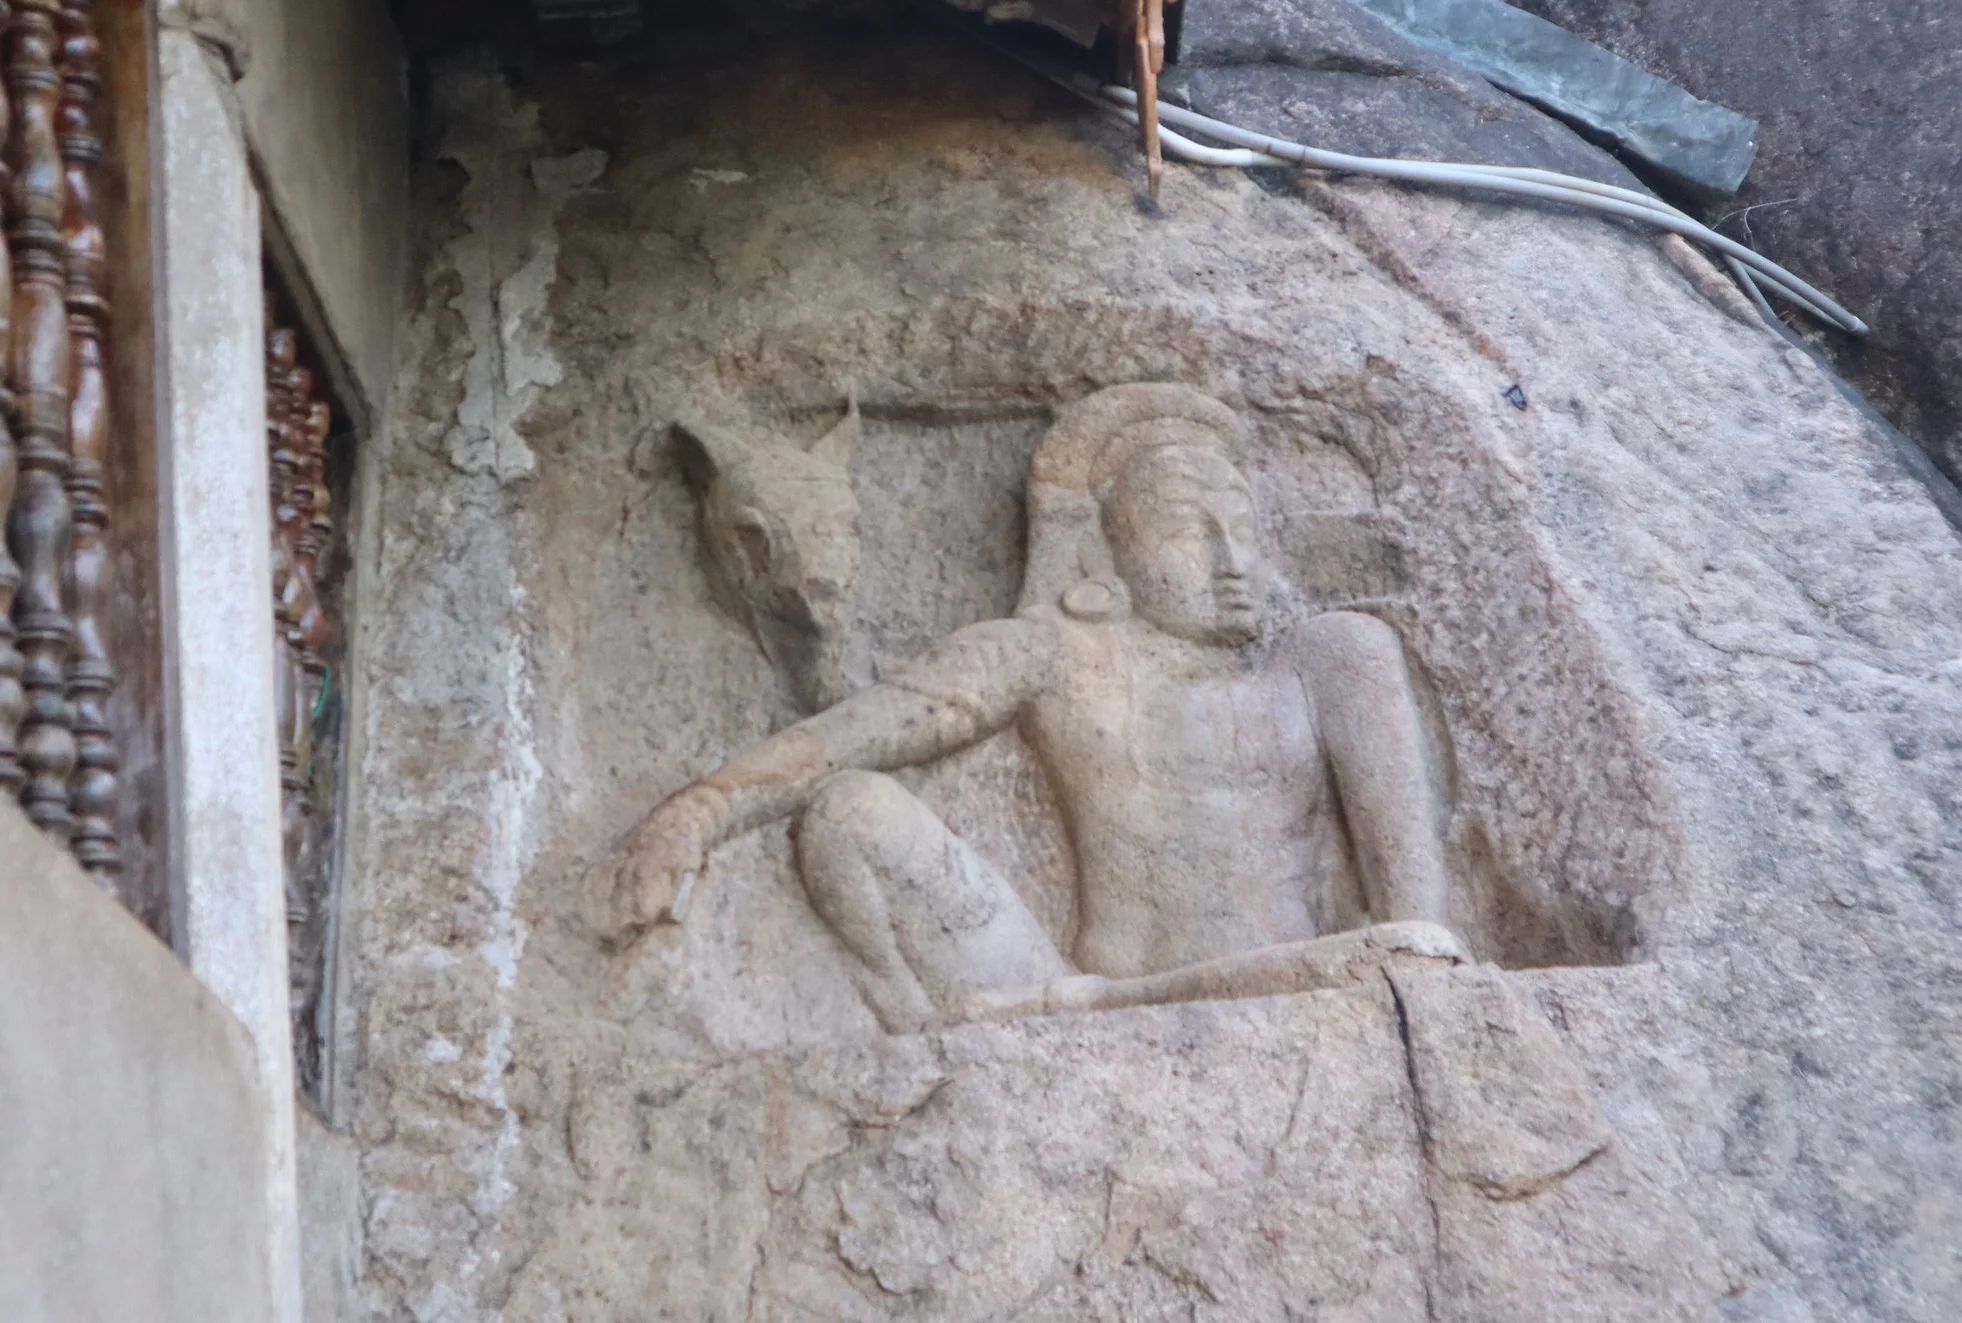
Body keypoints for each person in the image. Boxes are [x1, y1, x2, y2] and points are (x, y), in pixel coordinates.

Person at [614, 384, 1462, 1033]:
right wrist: (701, 809)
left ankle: (1039, 1020)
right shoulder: (1057, 651)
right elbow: (868, 729)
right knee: (853, 810)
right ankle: (931, 1041)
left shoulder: (1330, 659)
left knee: (1414, 947)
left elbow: (1419, 930)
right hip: (1081, 989)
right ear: (1106, 542)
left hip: (1293, 981)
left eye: (1239, 525)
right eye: (1181, 527)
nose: (1224, 557)